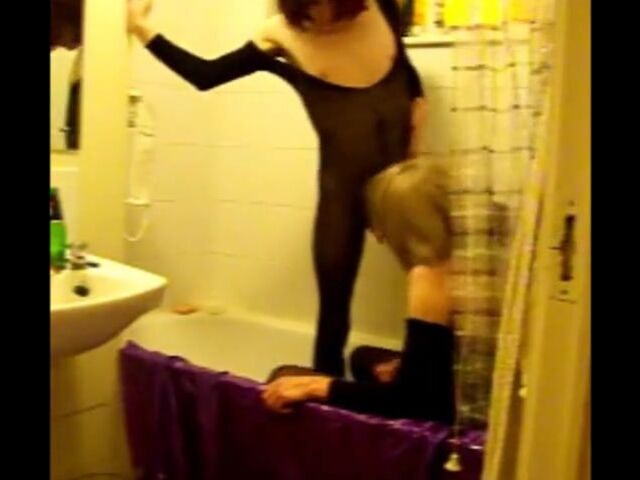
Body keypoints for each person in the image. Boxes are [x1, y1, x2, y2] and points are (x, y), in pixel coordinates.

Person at [127, 0, 428, 377]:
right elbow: (205, 75)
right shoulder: (280, 34)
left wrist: (413, 148)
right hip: (343, 186)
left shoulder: (381, 7)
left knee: (428, 285)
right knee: (334, 304)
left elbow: (408, 78)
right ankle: (326, 391)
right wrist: (141, 28)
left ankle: (420, 380)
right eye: (307, 8)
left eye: (327, 6)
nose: (318, 19)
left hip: (402, 176)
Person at [262, 157, 455, 424]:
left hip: (442, 422)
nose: (379, 236)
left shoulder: (431, 277)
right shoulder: (480, 262)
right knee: (361, 358)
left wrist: (318, 386)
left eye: (383, 223)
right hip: (458, 389)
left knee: (282, 378)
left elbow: (412, 404)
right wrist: (409, 368)